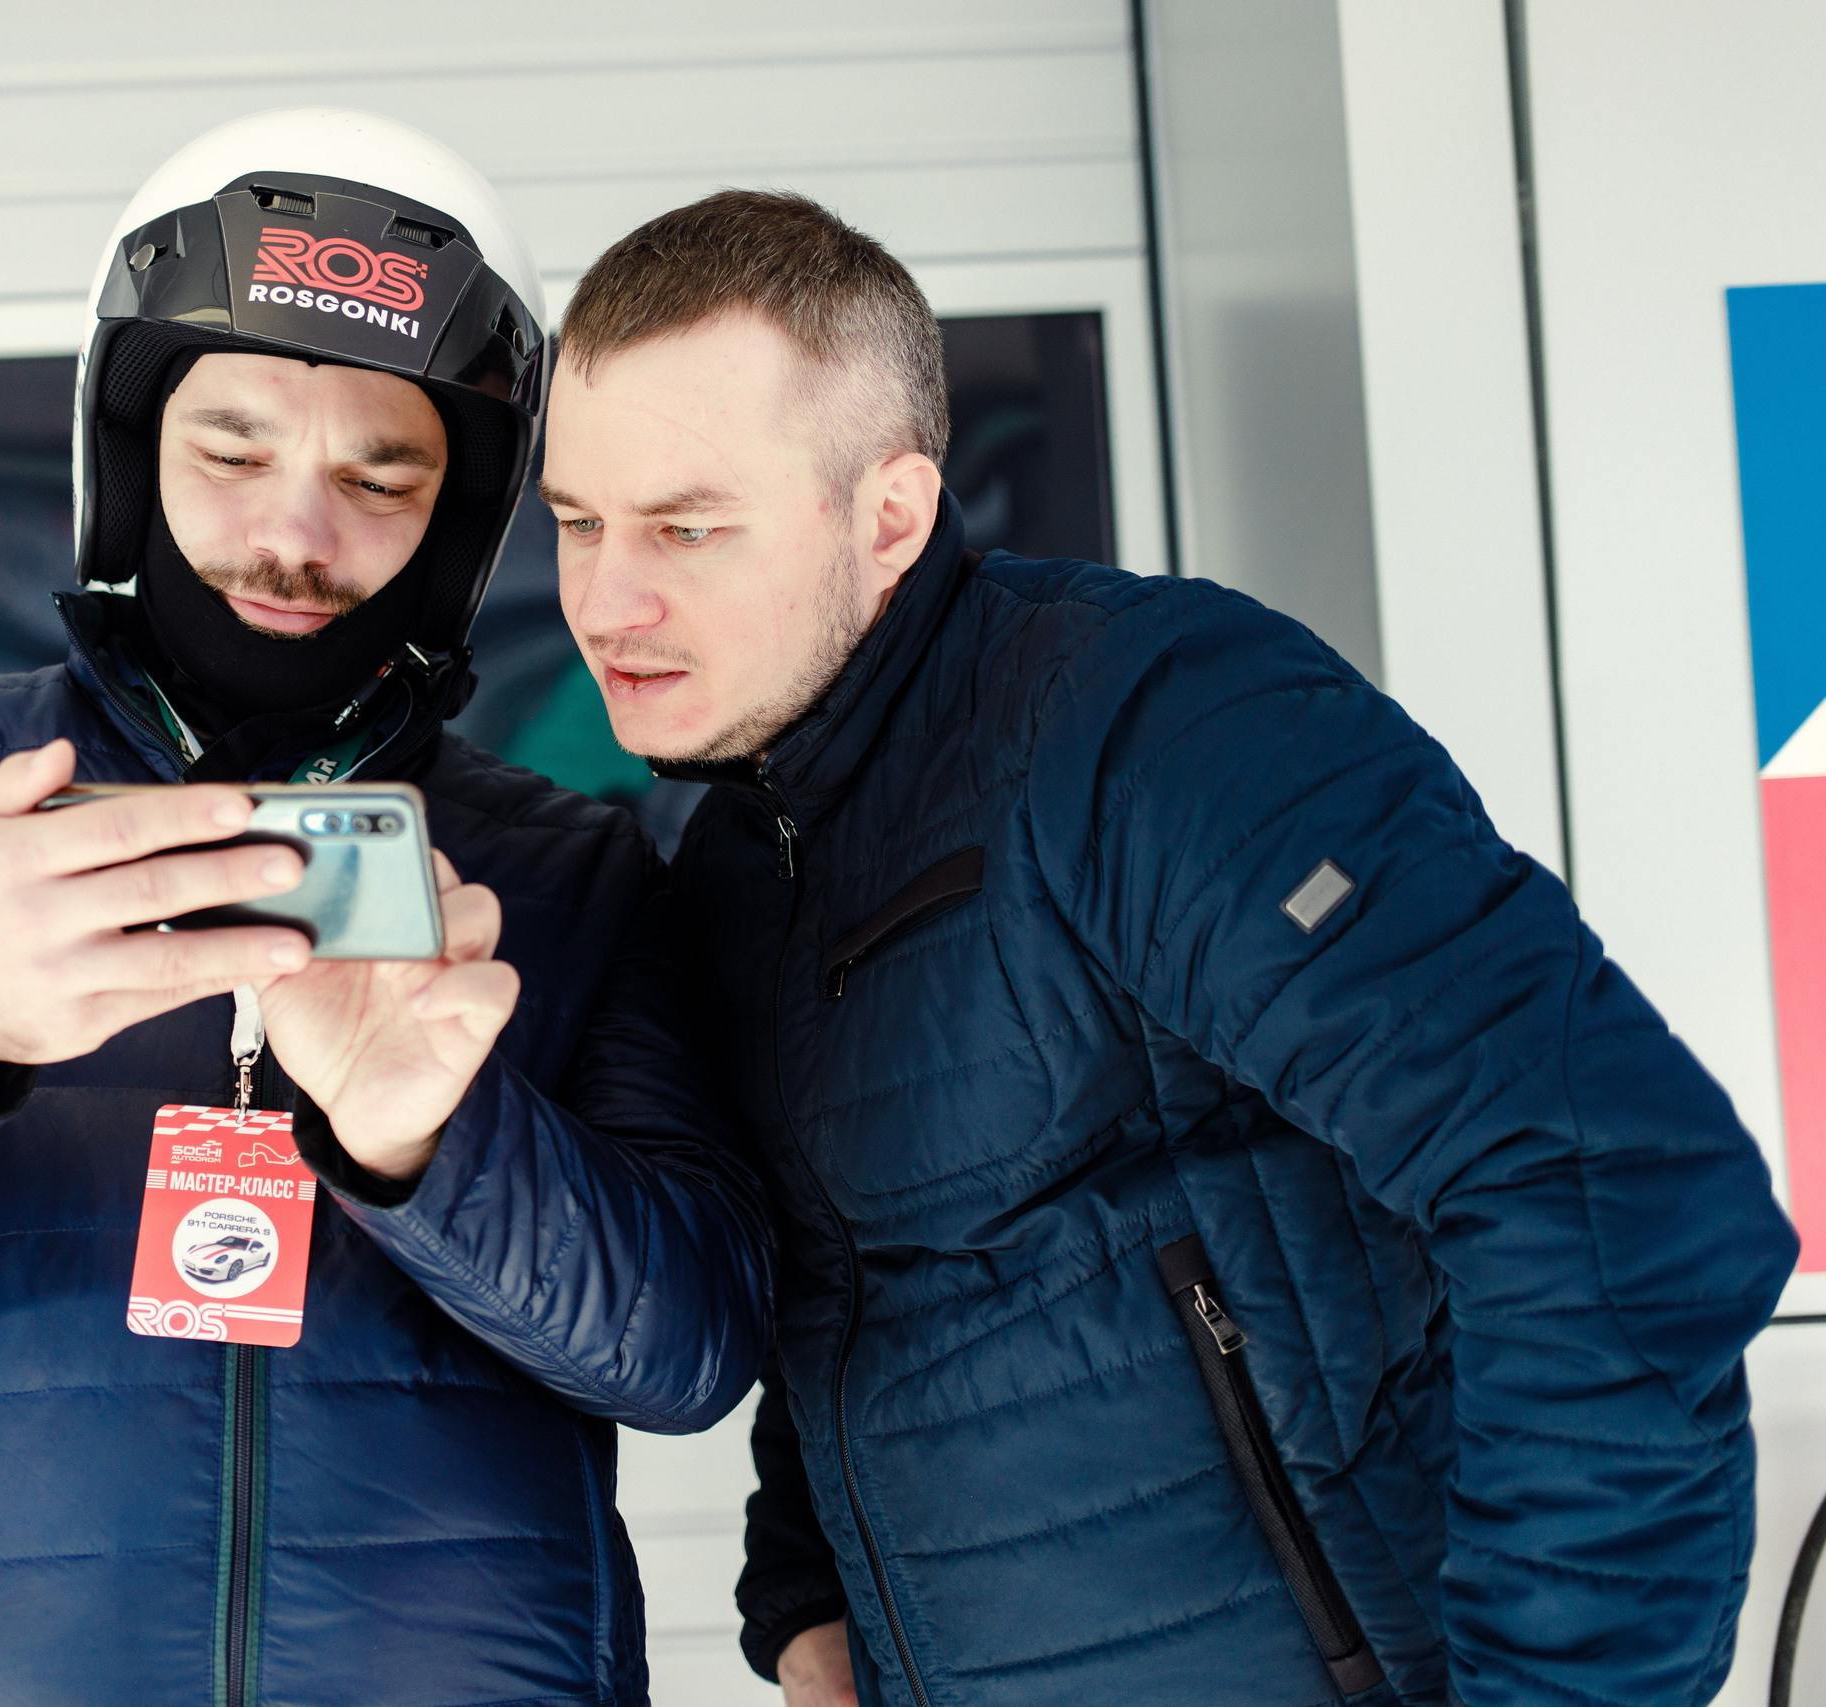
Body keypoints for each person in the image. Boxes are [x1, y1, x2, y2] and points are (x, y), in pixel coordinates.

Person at [0, 111, 771, 1707]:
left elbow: (689, 1357)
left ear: (457, 528)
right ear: (127, 451)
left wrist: (434, 1148)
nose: (294, 536)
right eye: (232, 453)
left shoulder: (566, 870)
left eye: (382, 478)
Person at [539, 188, 1797, 1707]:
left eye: (687, 526)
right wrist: (807, 1593)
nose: (606, 600)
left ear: (891, 516)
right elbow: (860, 1288)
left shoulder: (1147, 728)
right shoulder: (745, 859)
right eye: (578, 523)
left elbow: (1610, 1191)